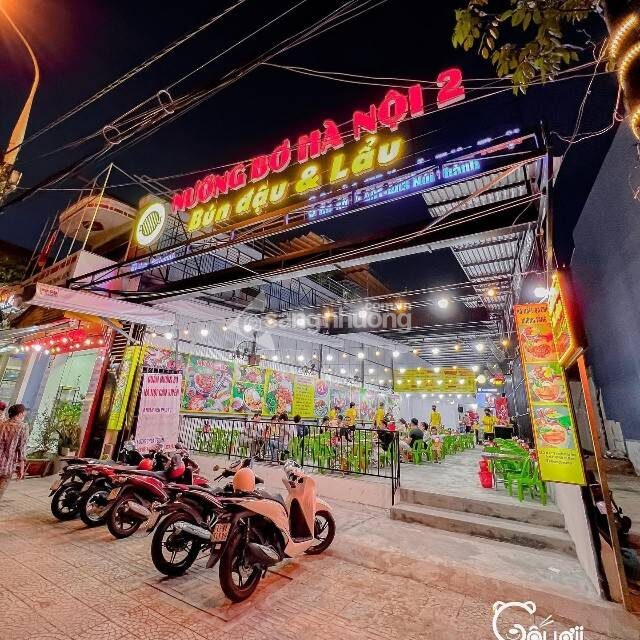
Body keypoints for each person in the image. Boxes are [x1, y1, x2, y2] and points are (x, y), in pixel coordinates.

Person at [0, 404, 28, 501]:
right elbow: (21, 449)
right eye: (24, 414)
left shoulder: (1, 424)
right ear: (19, 414)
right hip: (7, 466)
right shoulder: (22, 427)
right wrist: (22, 468)